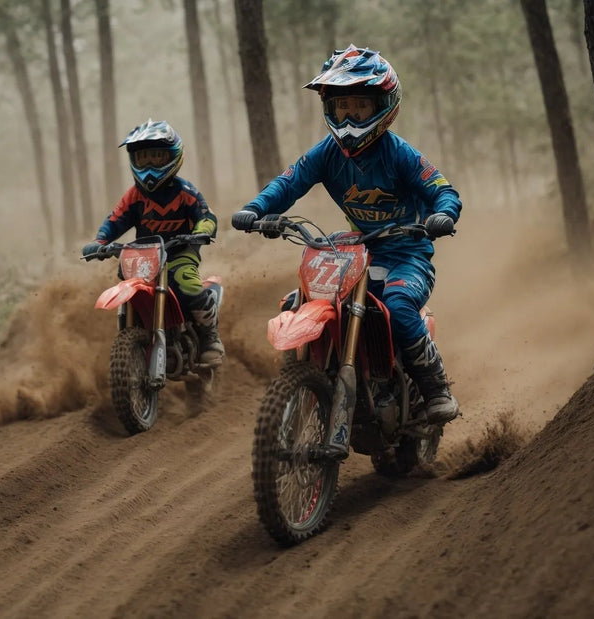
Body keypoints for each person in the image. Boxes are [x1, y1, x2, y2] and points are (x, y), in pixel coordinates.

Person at [230, 45, 461, 424]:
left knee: (399, 307)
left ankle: (437, 389)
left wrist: (443, 215)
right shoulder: (327, 153)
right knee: (296, 301)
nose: (350, 116)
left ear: (383, 106)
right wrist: (256, 210)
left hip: (407, 255)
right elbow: (289, 182)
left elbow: (442, 189)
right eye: (341, 107)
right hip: (358, 254)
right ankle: (309, 377)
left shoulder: (399, 154)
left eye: (360, 106)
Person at [83, 119, 225, 366]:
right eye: (143, 159)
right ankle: (133, 339)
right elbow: (115, 220)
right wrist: (100, 241)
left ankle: (209, 338)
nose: (149, 165)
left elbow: (206, 216)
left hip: (180, 253)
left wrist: (201, 231)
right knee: (125, 280)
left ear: (172, 157)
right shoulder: (134, 196)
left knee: (187, 282)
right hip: (144, 257)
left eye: (156, 157)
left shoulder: (185, 192)